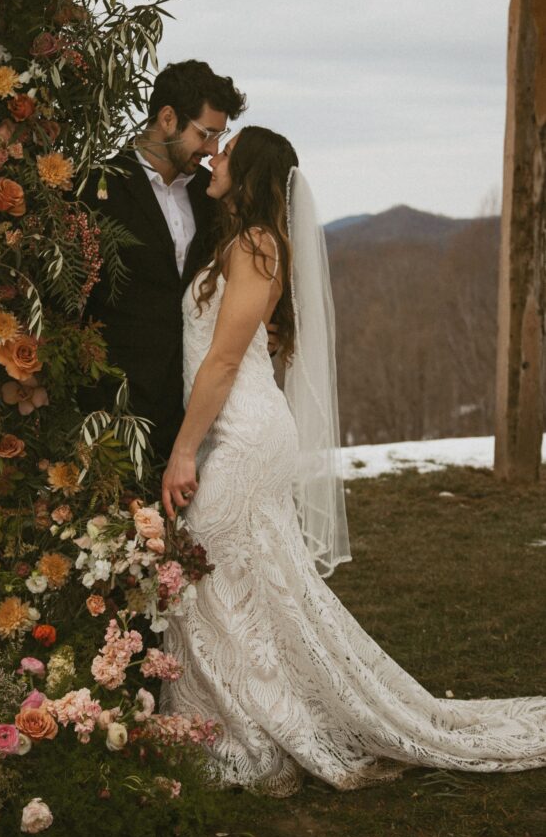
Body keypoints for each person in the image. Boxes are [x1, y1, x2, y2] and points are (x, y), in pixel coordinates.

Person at [159, 125, 546, 796]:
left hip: (243, 436)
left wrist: (183, 452)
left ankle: (254, 732)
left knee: (210, 573)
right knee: (240, 584)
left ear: (246, 173)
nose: (212, 157)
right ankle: (243, 718)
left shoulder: (254, 246)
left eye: (226, 151)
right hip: (238, 431)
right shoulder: (238, 244)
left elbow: (223, 360)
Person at [80, 60, 246, 463]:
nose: (210, 151)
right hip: (113, 413)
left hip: (198, 413)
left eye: (218, 137)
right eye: (204, 134)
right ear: (168, 118)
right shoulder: (95, 186)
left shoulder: (215, 195)